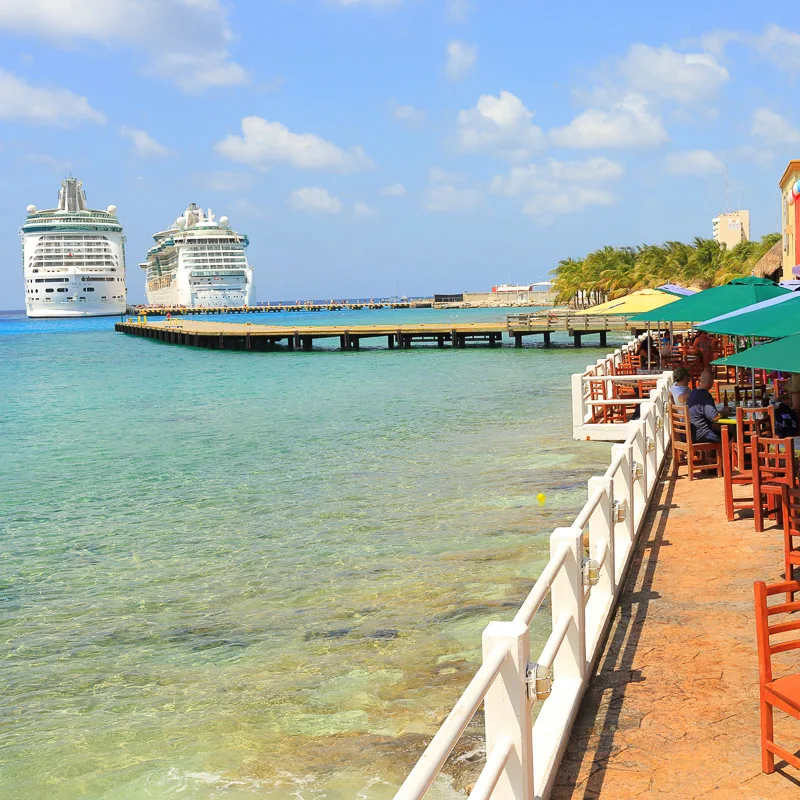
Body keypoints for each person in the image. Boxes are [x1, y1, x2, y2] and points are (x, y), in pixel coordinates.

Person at [687, 369, 722, 443]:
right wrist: (724, 413)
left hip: (689, 433)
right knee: (728, 438)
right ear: (711, 382)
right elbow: (714, 418)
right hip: (702, 434)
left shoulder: (693, 392)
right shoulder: (705, 395)